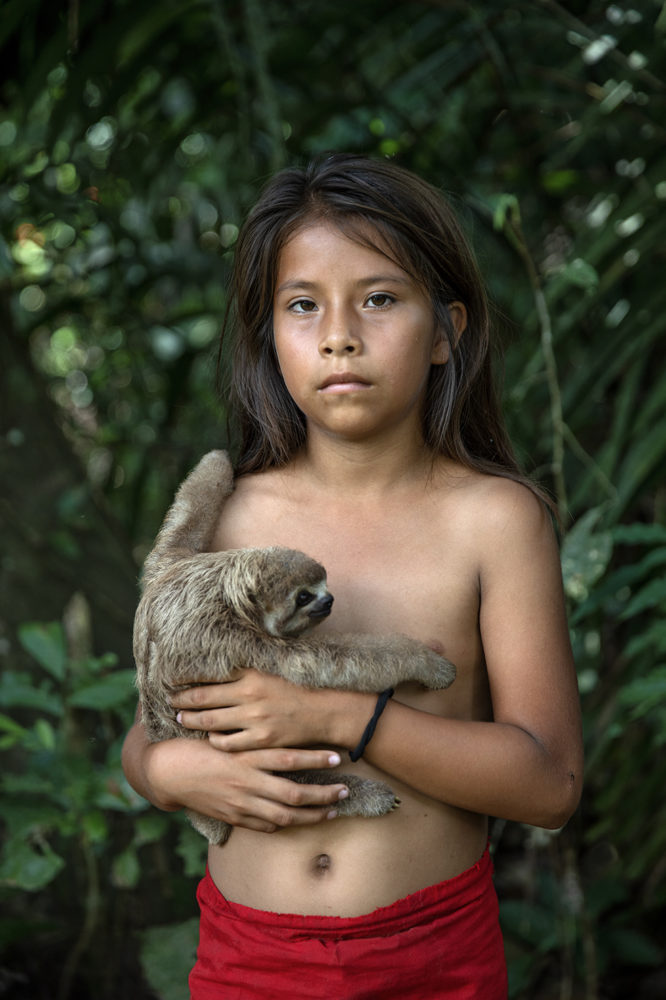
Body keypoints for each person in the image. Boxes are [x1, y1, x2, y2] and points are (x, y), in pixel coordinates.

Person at [122, 153, 583, 999]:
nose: (339, 333)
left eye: (378, 298)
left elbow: (549, 784)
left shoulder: (495, 521)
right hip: (247, 958)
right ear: (270, 336)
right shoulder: (229, 519)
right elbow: (149, 724)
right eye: (304, 305)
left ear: (447, 331)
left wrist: (337, 714)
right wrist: (164, 774)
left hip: (433, 958)